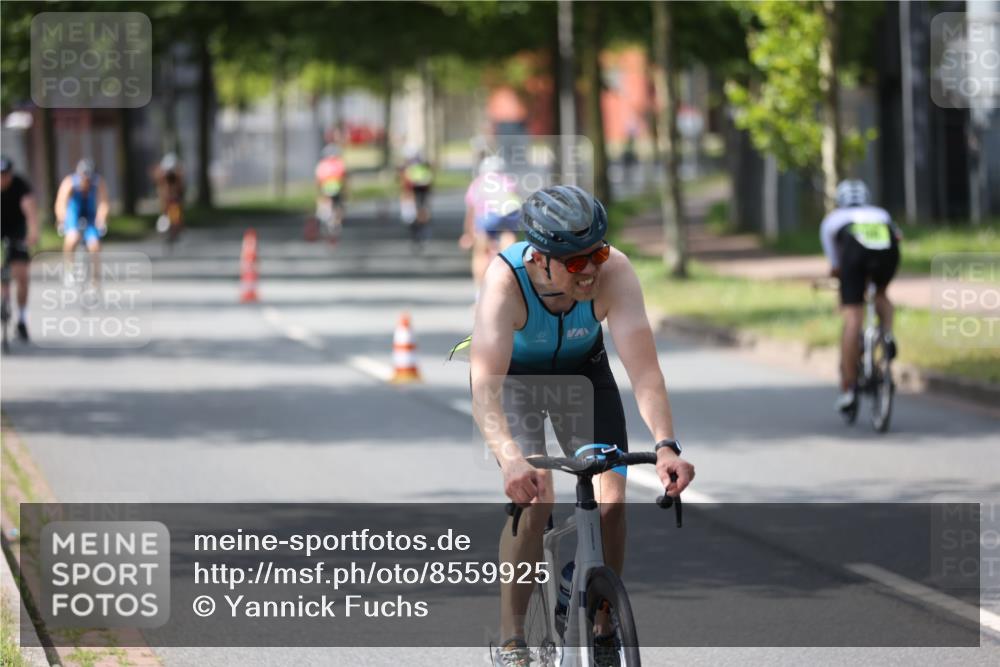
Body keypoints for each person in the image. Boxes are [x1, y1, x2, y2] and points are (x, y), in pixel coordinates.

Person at [468, 185, 695, 666]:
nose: (590, 269)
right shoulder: (505, 282)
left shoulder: (615, 273)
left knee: (613, 500)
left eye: (597, 252)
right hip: (517, 381)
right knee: (537, 496)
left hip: (584, 373)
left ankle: (602, 623)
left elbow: (645, 371)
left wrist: (667, 445)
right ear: (539, 259)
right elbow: (484, 390)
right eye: (574, 261)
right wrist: (511, 460)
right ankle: (512, 639)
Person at [820, 179, 901, 413]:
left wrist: (842, 284)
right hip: (888, 254)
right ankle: (887, 335)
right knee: (881, 295)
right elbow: (896, 237)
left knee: (853, 316)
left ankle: (849, 387)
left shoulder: (832, 220)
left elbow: (836, 264)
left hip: (854, 254)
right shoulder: (881, 213)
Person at [460, 155, 522, 292]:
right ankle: (510, 281)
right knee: (508, 247)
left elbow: (471, 212)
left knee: (480, 252)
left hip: (485, 218)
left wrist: (469, 234)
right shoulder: (508, 181)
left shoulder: (477, 183)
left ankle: (479, 289)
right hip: (507, 218)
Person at [1, 156, 40, 346]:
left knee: (22, 276)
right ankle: (2, 299)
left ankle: (22, 319)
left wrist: (33, 233)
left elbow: (30, 209)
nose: (3, 179)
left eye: (5, 175)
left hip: (17, 231)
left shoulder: (20, 185)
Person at [55, 159, 109, 289]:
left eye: (88, 178)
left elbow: (103, 203)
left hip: (90, 215)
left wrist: (101, 220)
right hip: (73, 214)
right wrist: (62, 220)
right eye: (83, 177)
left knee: (94, 245)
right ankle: (69, 269)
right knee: (72, 238)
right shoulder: (69, 183)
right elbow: (61, 203)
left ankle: (96, 278)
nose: (86, 181)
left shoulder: (98, 183)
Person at [399, 146, 434, 246]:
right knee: (414, 215)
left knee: (420, 212)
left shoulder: (421, 165)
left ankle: (421, 231)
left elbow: (429, 179)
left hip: (420, 192)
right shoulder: (406, 167)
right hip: (412, 193)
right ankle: (417, 231)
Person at [314, 143, 347, 241]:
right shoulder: (339, 164)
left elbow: (318, 180)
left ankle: (326, 220)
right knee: (338, 207)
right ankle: (336, 224)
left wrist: (318, 192)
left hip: (326, 189)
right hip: (337, 189)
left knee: (327, 205)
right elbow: (344, 178)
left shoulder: (322, 165)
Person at [152, 152, 185, 246]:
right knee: (165, 214)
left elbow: (180, 188)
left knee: (176, 215)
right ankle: (168, 230)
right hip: (166, 199)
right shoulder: (162, 175)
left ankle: (176, 230)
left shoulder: (178, 175)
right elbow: (159, 184)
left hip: (175, 200)